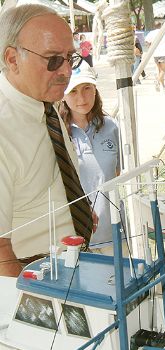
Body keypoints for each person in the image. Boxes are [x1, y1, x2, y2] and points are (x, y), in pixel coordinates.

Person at [0, 4, 93, 276]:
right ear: (13, 59)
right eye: (53, 60)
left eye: (70, 58)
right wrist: (34, 308)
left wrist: (75, 211)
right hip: (34, 278)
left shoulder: (41, 101)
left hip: (68, 264)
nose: (66, 71)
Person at [59, 61, 121, 254]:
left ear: (95, 89)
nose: (82, 98)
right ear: (63, 95)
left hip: (115, 232)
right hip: (75, 239)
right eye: (73, 91)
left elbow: (118, 174)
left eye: (87, 88)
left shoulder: (112, 127)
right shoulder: (58, 134)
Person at [145, 22, 165, 92]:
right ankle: (157, 81)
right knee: (164, 70)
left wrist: (150, 47)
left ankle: (163, 86)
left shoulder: (151, 33)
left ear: (154, 26)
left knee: (160, 71)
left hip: (155, 54)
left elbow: (147, 42)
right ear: (161, 26)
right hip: (163, 53)